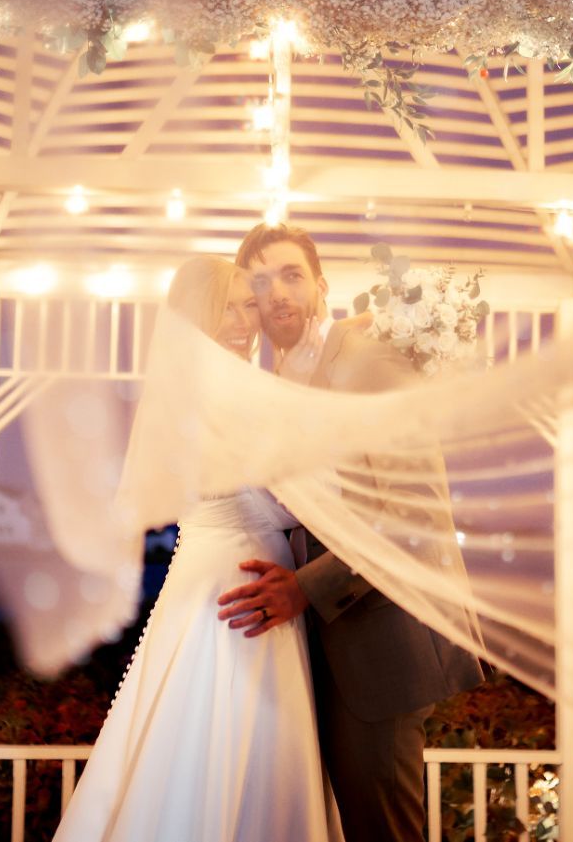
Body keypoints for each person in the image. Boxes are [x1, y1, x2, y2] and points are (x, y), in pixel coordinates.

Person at [51, 256, 341, 842]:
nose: (244, 320)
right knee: (232, 740)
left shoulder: (193, 387)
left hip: (217, 574)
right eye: (227, 307)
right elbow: (282, 506)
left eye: (248, 304)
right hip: (238, 585)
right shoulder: (224, 391)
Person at [217, 224, 485, 842]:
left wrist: (306, 588)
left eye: (291, 275)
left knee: (383, 829)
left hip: (379, 639)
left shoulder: (366, 357)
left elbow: (413, 510)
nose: (277, 293)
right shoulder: (279, 382)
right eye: (260, 282)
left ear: (321, 286)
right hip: (318, 645)